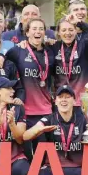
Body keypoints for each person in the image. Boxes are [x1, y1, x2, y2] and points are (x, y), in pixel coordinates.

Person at [23, 85, 88, 175]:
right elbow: (26, 136)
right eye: (60, 97)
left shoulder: (84, 119)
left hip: (78, 170)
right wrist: (39, 129)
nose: (64, 100)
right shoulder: (48, 119)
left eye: (67, 97)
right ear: (55, 101)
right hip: (54, 170)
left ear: (75, 101)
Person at [5, 18, 56, 159]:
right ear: (27, 33)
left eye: (41, 29)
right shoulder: (17, 51)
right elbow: (2, 60)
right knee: (26, 156)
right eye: (34, 29)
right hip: (24, 112)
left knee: (45, 157)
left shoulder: (50, 53)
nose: (37, 32)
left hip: (45, 111)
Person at [51, 14, 88, 108]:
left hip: (83, 104)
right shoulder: (53, 47)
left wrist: (79, 23)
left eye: (71, 30)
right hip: (62, 103)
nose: (68, 33)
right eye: (64, 30)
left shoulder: (85, 46)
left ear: (76, 31)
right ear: (58, 32)